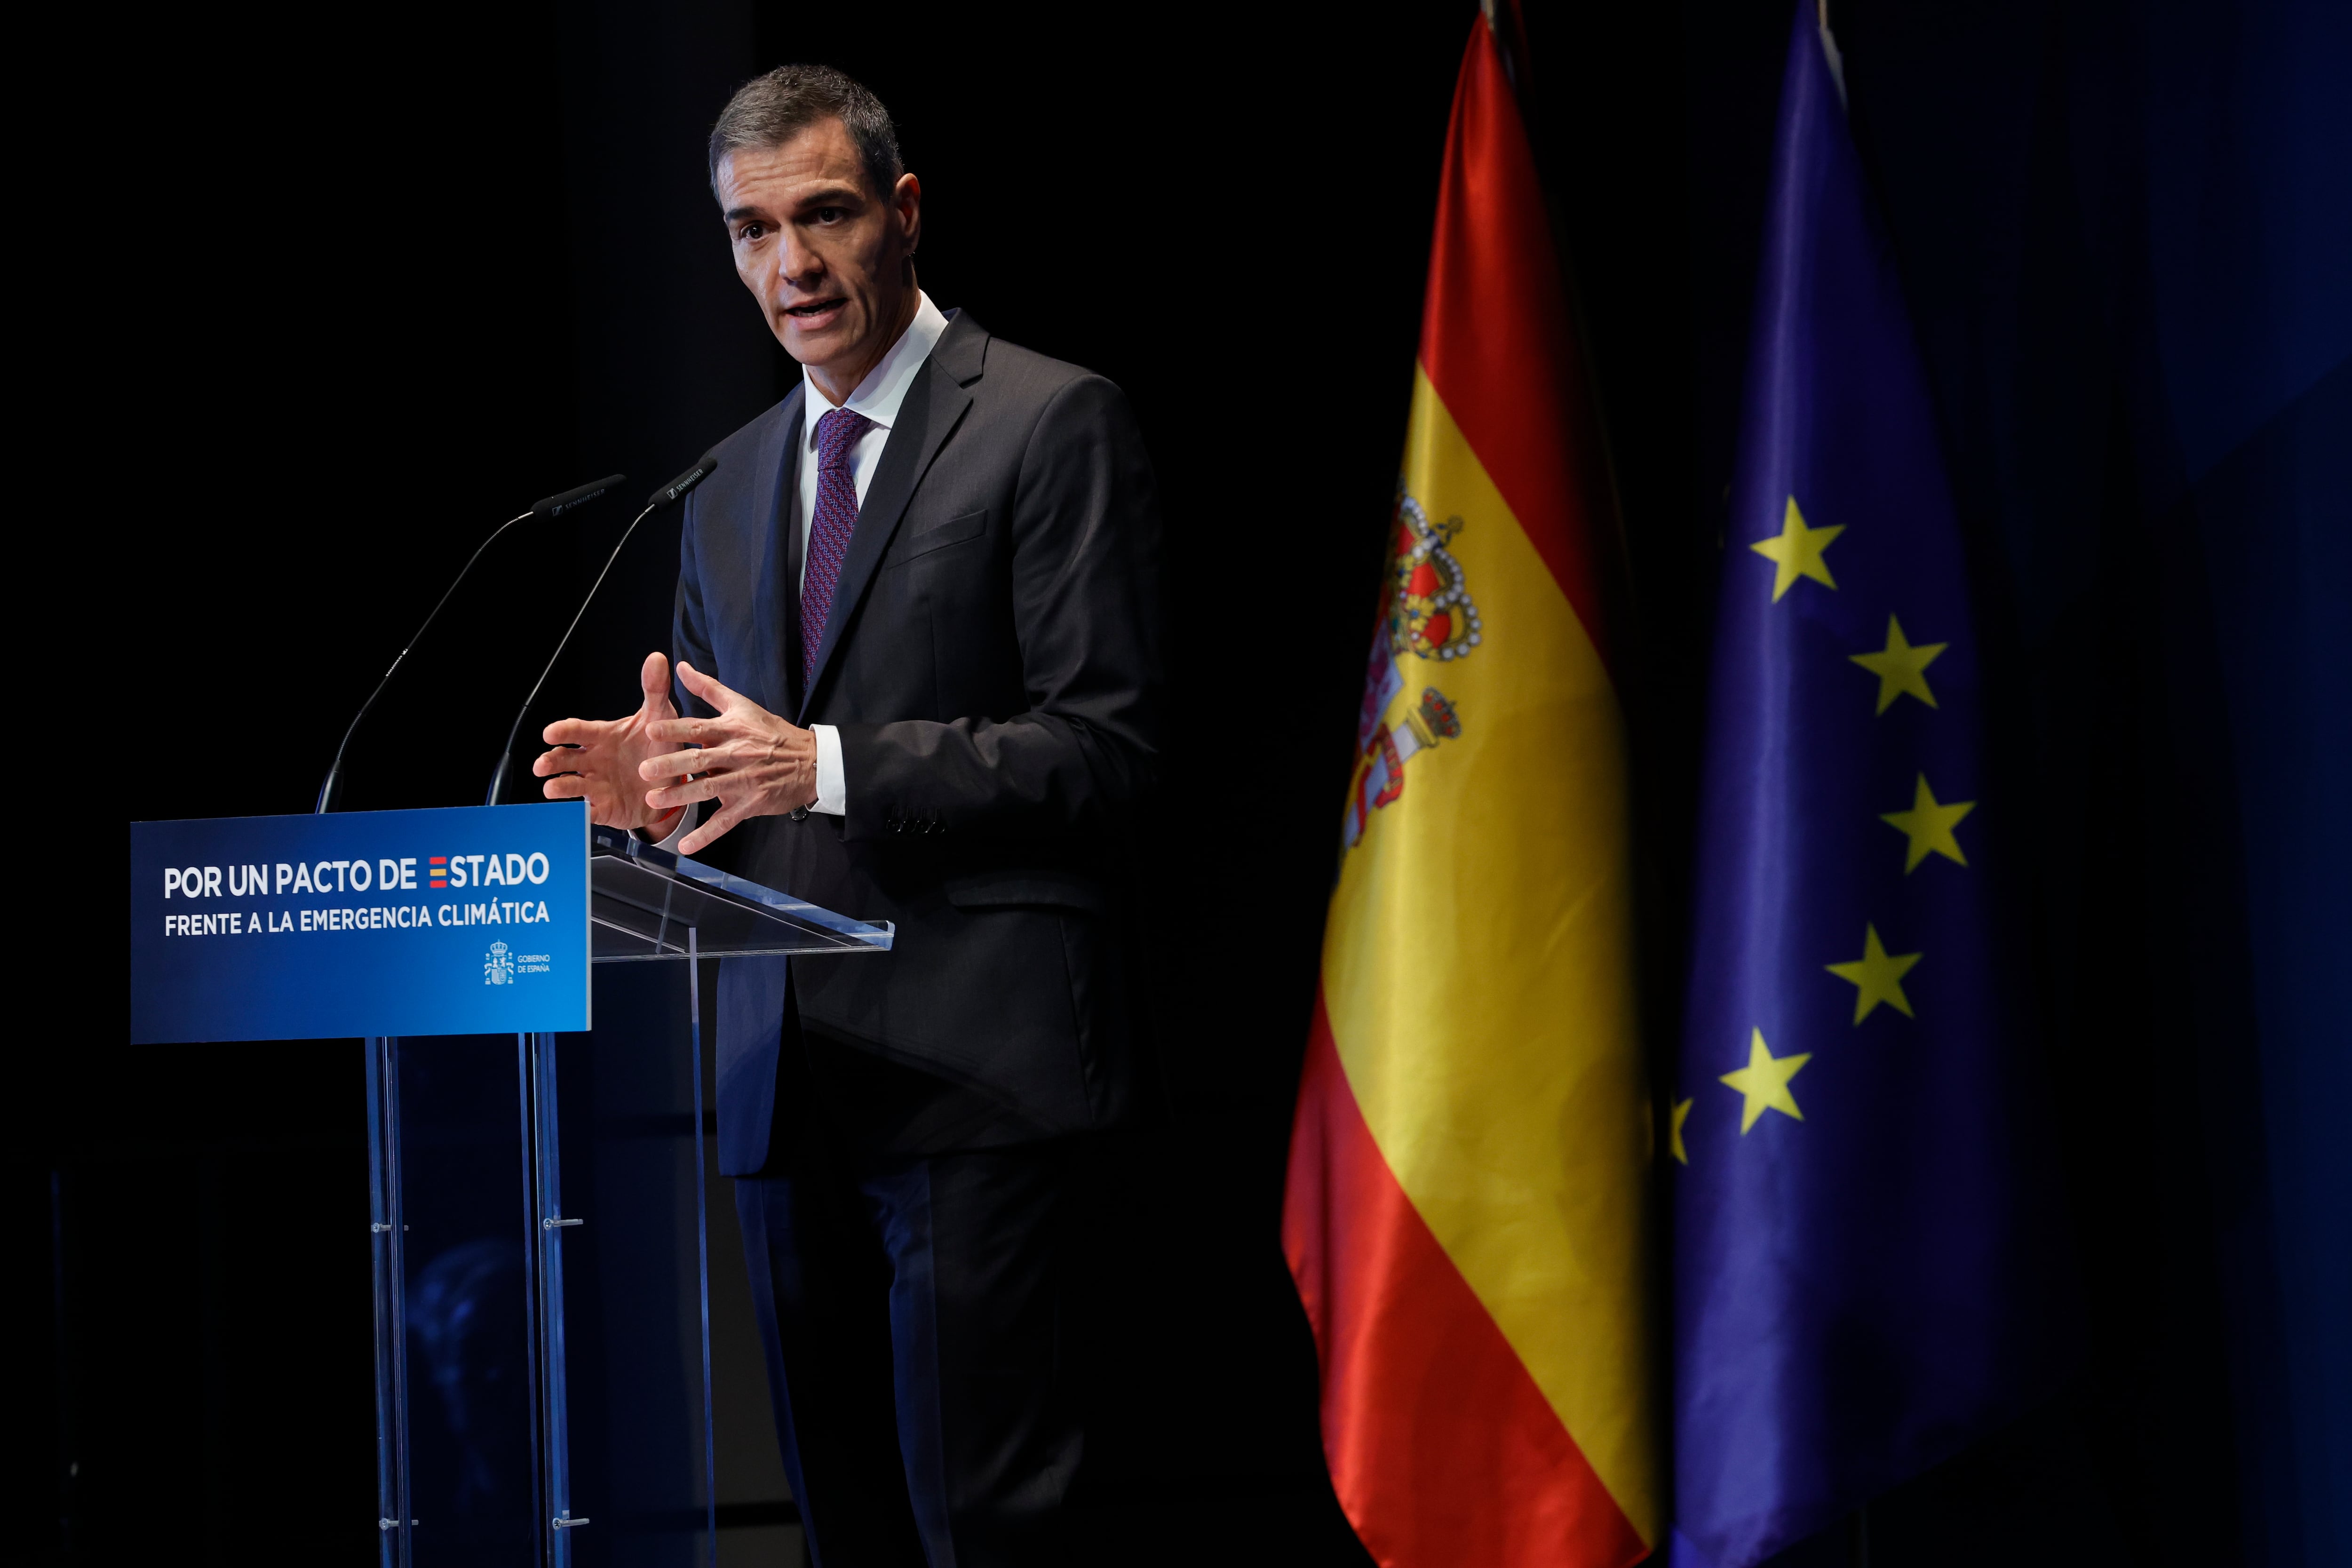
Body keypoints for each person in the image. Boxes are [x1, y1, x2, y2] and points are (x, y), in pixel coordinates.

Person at [532, 64, 1162, 1567]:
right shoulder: (728, 482)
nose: (791, 267)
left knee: (986, 1531)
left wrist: (819, 766)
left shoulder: (1048, 421)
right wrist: (664, 795)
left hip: (977, 1075)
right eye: (753, 232)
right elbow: (733, 773)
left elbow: (1108, 749)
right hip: (784, 1083)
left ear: (905, 211)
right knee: (845, 1536)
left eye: (823, 216)